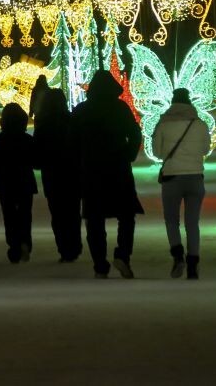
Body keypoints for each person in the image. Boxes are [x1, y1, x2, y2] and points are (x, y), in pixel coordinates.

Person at [70, 70, 143, 279]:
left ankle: (100, 264)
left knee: (94, 220)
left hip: (92, 172)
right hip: (118, 169)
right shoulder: (120, 108)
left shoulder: (82, 110)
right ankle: (123, 254)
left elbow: (72, 141)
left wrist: (79, 163)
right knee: (127, 216)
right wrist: (129, 154)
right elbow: (135, 132)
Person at [152, 88, 211, 279]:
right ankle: (193, 264)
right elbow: (205, 149)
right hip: (195, 177)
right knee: (192, 223)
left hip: (172, 178)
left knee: (171, 220)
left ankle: (178, 256)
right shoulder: (200, 125)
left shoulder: (163, 124)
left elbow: (158, 153)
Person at [0, 103, 38, 263]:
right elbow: (37, 160)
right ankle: (25, 242)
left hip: (5, 184)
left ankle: (14, 246)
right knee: (25, 215)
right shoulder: (27, 140)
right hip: (25, 183)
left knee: (9, 216)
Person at [34, 88, 82, 263]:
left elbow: (36, 155)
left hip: (52, 175)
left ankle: (64, 248)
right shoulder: (72, 121)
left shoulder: (43, 125)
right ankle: (75, 246)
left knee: (57, 213)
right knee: (73, 211)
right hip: (72, 173)